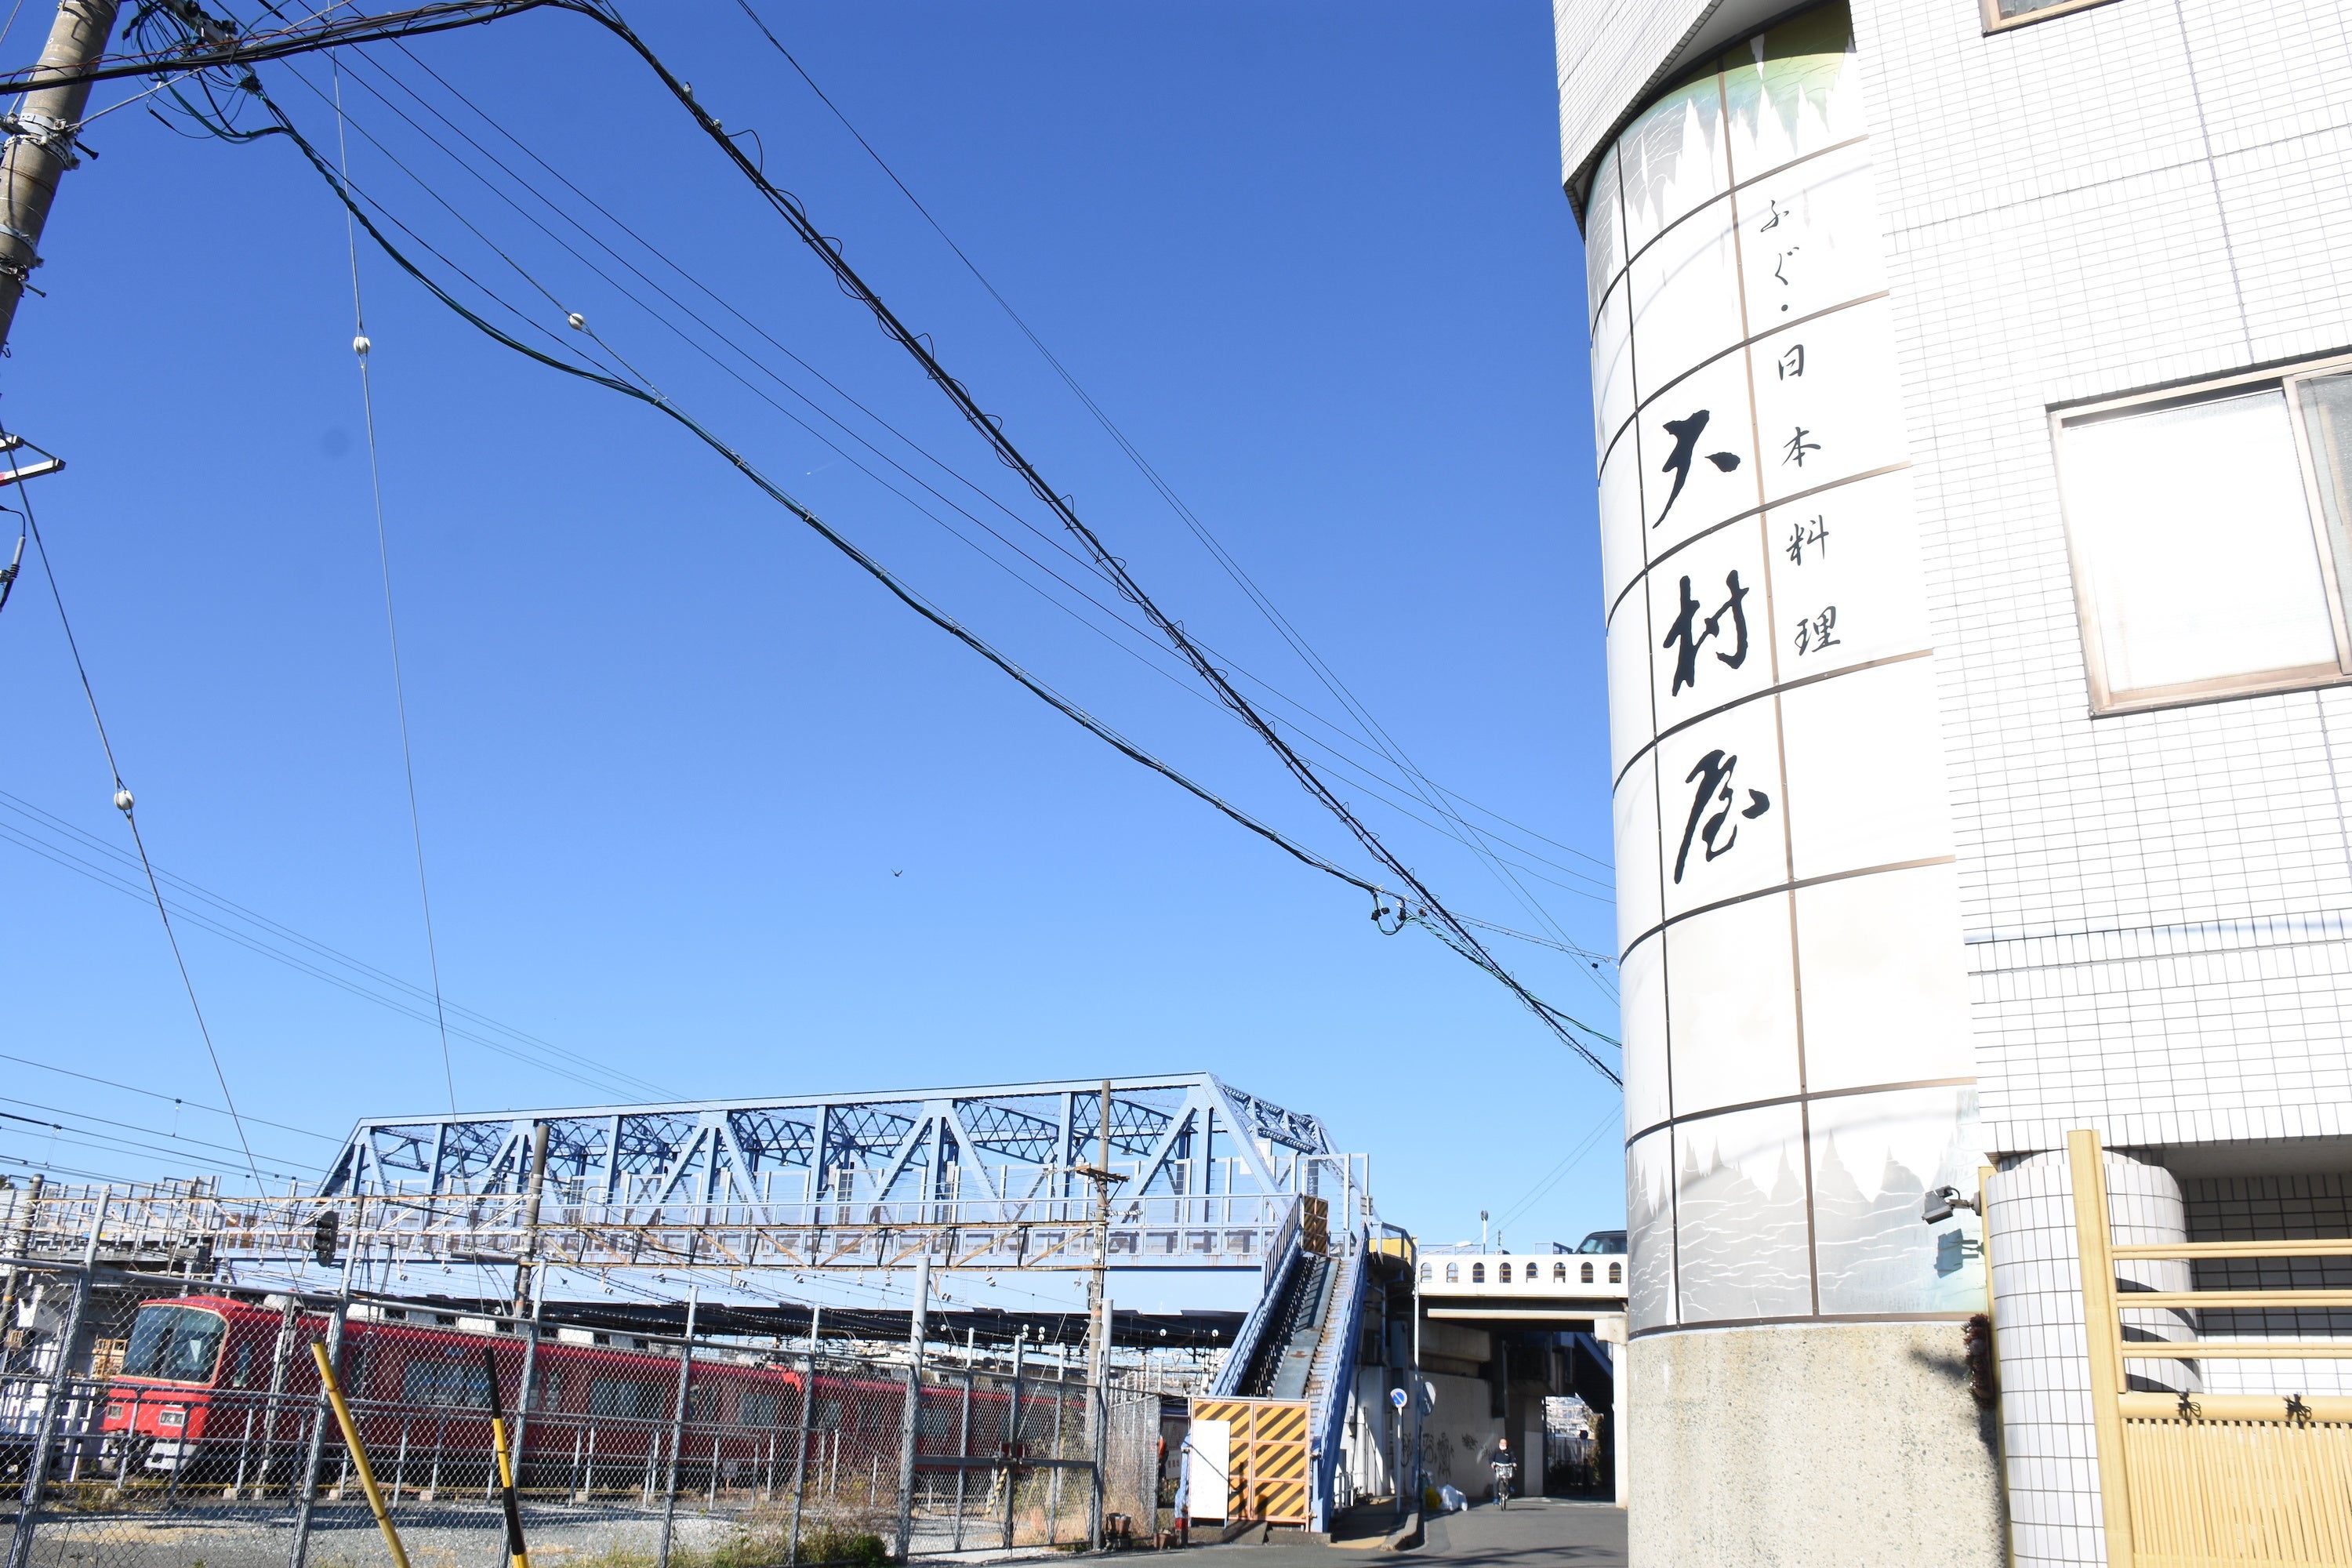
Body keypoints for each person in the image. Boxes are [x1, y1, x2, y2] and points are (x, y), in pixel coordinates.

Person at [1490, 1436, 1518, 1508]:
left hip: (1507, 1468)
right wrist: (1492, 1464)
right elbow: (1491, 1458)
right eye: (1502, 1444)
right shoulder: (1496, 1451)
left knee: (1512, 1475)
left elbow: (1513, 1458)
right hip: (1499, 1468)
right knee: (1496, 1481)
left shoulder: (1510, 1451)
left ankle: (1511, 1487)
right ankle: (1496, 1498)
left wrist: (1514, 1463)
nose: (1503, 1445)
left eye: (1504, 1444)